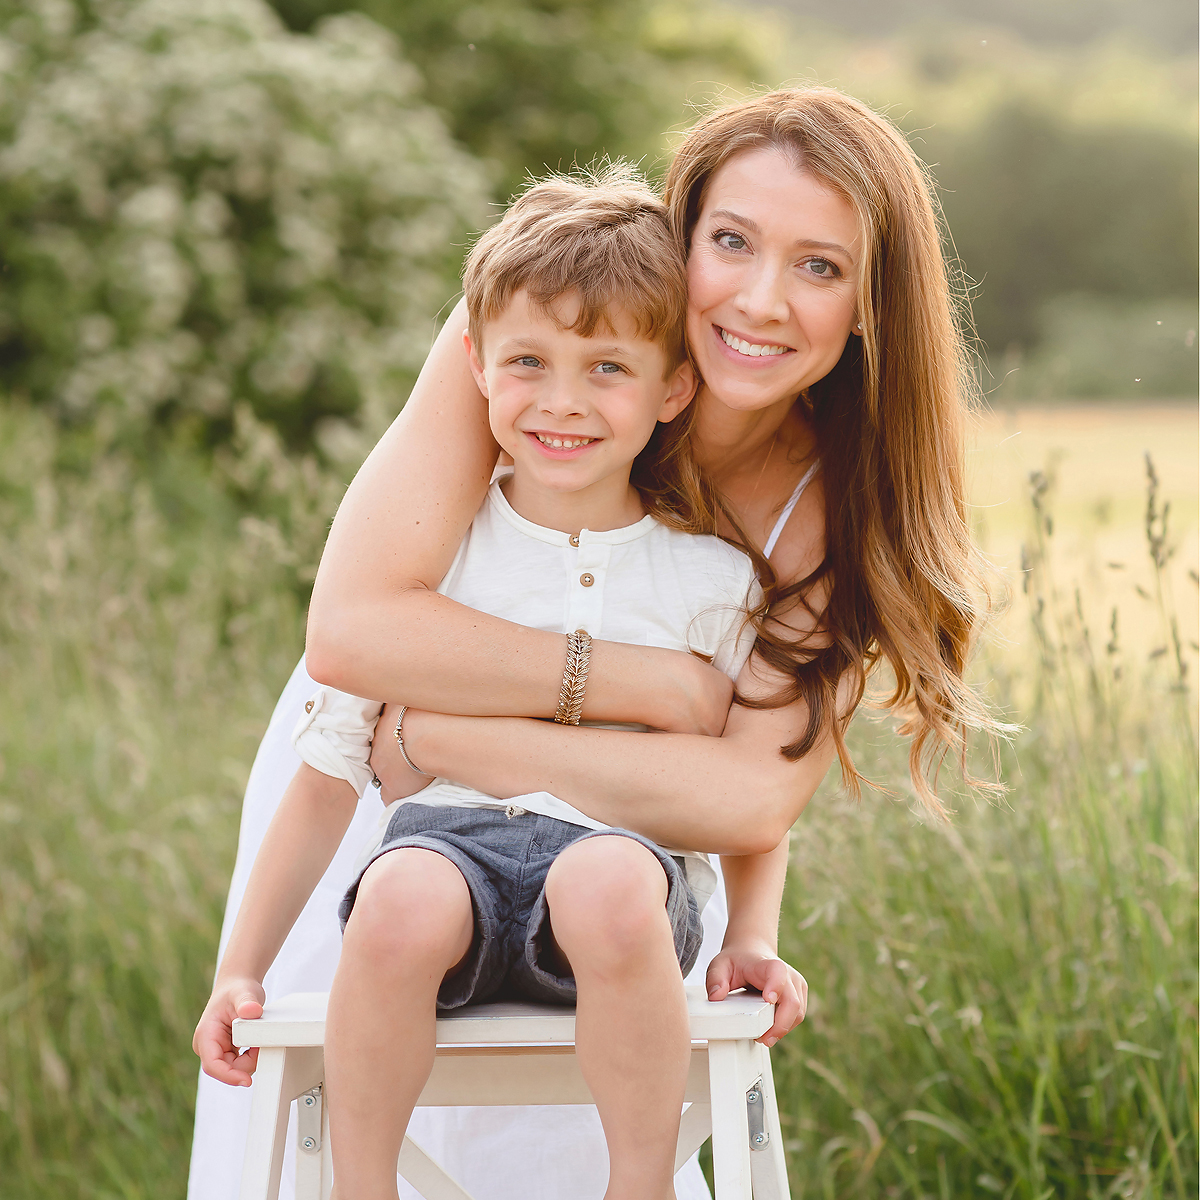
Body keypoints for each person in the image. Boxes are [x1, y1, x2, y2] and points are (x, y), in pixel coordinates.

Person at [188, 85, 998, 1200]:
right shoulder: (547, 322)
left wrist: (455, 735)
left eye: (821, 266)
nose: (761, 299)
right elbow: (353, 632)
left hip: (582, 828)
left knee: (565, 1121)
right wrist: (645, 688)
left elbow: (747, 804)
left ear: (873, 303)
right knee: (365, 1032)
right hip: (378, 787)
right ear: (682, 230)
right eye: (731, 242)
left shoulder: (838, 501)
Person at [194, 167, 776, 1199]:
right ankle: (361, 1185)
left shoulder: (710, 579)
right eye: (527, 363)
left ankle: (634, 1186)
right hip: (450, 847)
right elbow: (329, 774)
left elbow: (753, 807)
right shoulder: (436, 566)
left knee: (603, 884)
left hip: (623, 864)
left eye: (607, 368)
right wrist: (241, 963)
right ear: (475, 364)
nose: (561, 401)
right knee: (400, 897)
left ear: (672, 387)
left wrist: (753, 939)